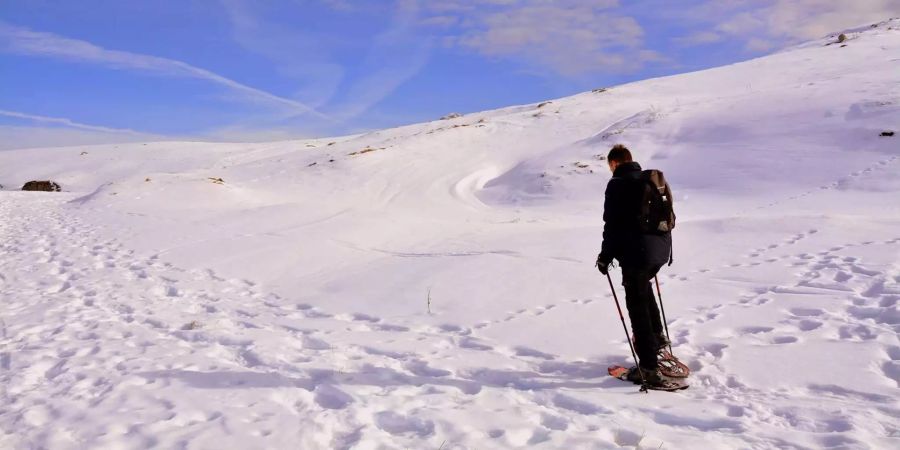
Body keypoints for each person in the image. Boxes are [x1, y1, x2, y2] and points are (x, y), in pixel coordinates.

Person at [596, 144, 673, 385]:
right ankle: (658, 339)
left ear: (614, 164)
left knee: (636, 307)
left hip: (636, 254)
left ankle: (649, 368)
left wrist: (605, 257)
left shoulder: (617, 184)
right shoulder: (649, 179)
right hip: (659, 251)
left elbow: (612, 225)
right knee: (644, 288)